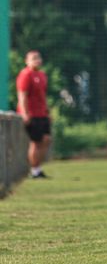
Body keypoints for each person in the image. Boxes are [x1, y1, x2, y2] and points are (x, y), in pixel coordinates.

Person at [16, 50, 51, 179]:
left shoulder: (42, 75)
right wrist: (25, 113)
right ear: (27, 61)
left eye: (38, 58)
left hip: (42, 113)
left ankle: (37, 167)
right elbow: (22, 95)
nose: (37, 60)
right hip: (32, 114)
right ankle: (34, 170)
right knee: (35, 142)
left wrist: (47, 111)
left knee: (46, 140)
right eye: (33, 58)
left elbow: (43, 96)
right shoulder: (25, 75)